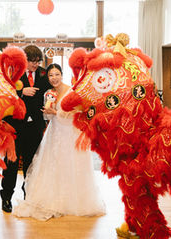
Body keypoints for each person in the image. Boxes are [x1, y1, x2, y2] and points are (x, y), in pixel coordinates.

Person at [12, 63, 106, 221]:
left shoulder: (71, 91)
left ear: (62, 74)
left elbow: (77, 113)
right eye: (50, 75)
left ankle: (71, 200)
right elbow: (48, 117)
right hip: (54, 131)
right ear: (47, 78)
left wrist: (55, 112)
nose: (54, 78)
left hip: (70, 133)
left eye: (56, 74)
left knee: (70, 165)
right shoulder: (49, 93)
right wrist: (49, 113)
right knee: (53, 164)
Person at [0, 45, 52, 213]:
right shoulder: (12, 72)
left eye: (37, 62)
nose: (35, 65)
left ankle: (29, 196)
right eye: (32, 62)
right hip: (15, 126)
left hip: (35, 127)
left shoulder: (44, 74)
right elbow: (3, 92)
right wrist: (21, 91)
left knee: (31, 164)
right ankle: (6, 197)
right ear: (24, 60)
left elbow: (52, 91)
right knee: (11, 163)